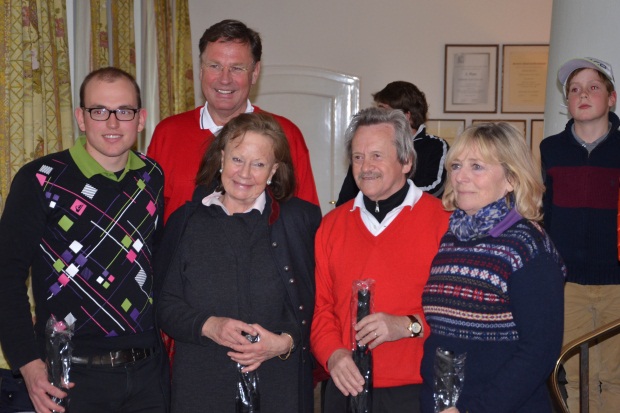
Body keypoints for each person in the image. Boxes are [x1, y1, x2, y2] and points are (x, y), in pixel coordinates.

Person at [0, 67, 168, 412]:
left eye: (124, 111)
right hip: (70, 377)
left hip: (148, 373)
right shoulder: (40, 179)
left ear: (141, 119)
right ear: (81, 117)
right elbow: (6, 275)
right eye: (98, 111)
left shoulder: (152, 176)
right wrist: (27, 364)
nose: (111, 123)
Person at [156, 112, 321, 412]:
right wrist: (207, 325)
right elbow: (164, 304)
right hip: (200, 388)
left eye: (258, 164)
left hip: (278, 386)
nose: (244, 173)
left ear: (273, 170)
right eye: (237, 159)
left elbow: (318, 305)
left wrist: (285, 342)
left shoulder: (300, 220)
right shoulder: (185, 221)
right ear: (221, 158)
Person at [311, 107, 450, 412]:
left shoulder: (444, 222)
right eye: (358, 157)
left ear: (406, 161)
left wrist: (407, 325)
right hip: (344, 387)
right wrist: (333, 354)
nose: (365, 167)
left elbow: (458, 312)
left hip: (417, 389)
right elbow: (320, 308)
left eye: (376, 156)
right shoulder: (331, 226)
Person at [420, 122, 566, 413]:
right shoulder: (452, 237)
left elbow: (539, 351)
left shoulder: (526, 245)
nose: (461, 177)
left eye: (477, 167)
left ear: (511, 178)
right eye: (457, 165)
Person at [147, 19, 319, 222]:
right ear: (201, 70)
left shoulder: (285, 134)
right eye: (215, 66)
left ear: (255, 73)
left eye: (237, 68)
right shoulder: (168, 133)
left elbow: (305, 222)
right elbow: (150, 217)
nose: (225, 79)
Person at [540, 57, 620, 413]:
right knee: (572, 371)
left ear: (611, 98)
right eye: (574, 89)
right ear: (567, 101)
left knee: (613, 374)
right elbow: (542, 214)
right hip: (567, 284)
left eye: (593, 87)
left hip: (617, 283)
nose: (582, 94)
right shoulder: (550, 150)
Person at [336, 81, 449, 205]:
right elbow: (346, 199)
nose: (366, 166)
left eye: (384, 110)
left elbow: (434, 188)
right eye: (358, 157)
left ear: (406, 116)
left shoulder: (435, 146)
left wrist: (389, 196)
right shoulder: (366, 145)